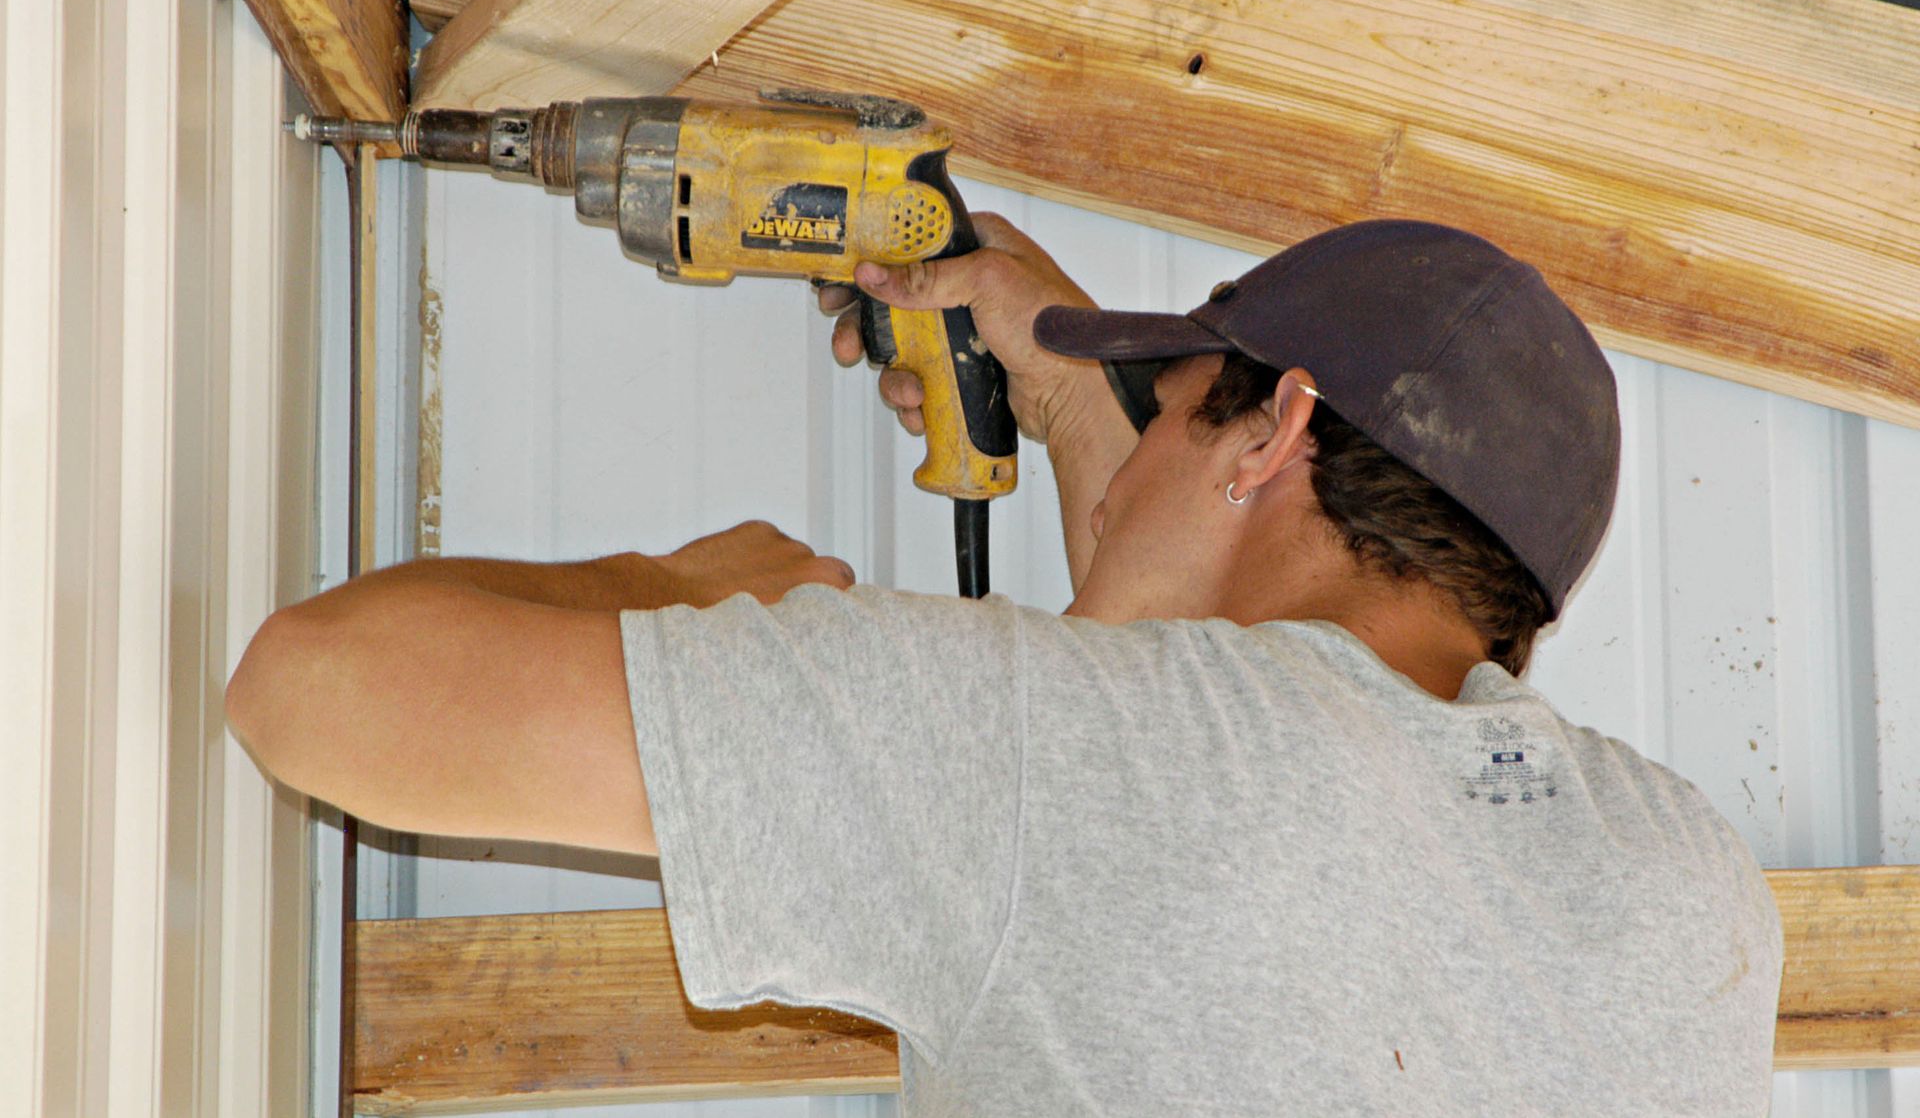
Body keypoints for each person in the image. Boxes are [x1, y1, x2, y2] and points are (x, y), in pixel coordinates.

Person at [226, 215, 1782, 1114]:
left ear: (1276, 431)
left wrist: (677, 587)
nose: (1127, 478)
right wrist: (1070, 398)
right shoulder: (1693, 891)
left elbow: (309, 689)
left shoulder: (1060, 765)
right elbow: (1254, 791)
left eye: (1172, 411)